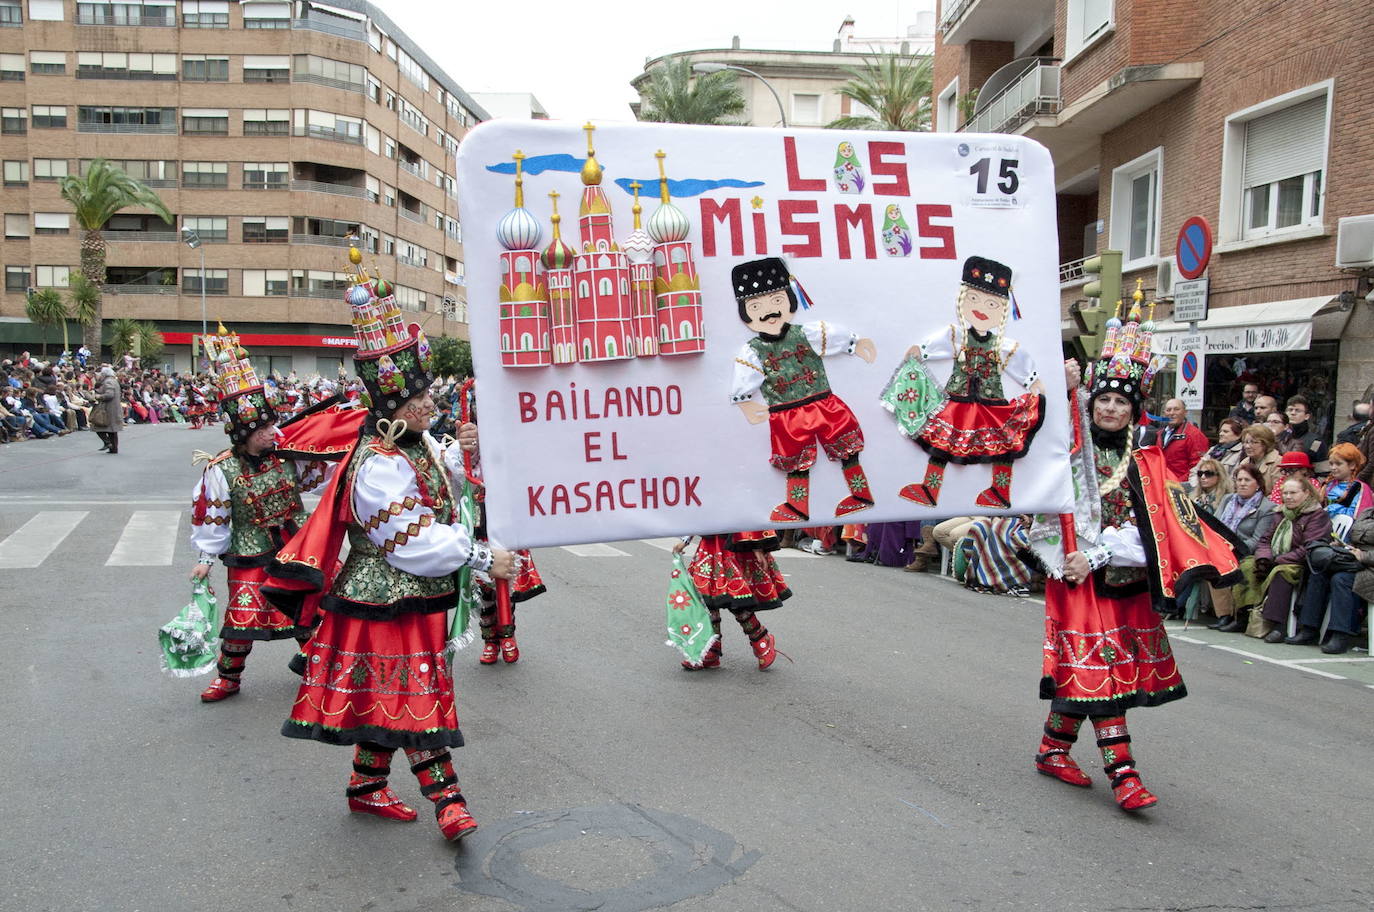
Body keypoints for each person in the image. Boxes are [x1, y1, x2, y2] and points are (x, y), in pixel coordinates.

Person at [265, 249, 512, 842]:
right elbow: (410, 541)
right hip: (386, 598)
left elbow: (448, 481)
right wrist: (480, 556)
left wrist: (468, 449)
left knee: (387, 695)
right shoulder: (378, 464)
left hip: (412, 598)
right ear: (395, 402)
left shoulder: (414, 445)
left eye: (429, 396)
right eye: (422, 397)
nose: (433, 404)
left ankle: (366, 786)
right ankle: (448, 801)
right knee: (413, 694)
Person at [1027, 299, 1239, 814]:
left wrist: (1103, 554)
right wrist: (1065, 386)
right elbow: (1042, 450)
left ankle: (1054, 749)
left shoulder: (1146, 457)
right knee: (1104, 667)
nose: (1111, 409)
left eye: (1123, 402)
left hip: (1122, 573)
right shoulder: (1067, 444)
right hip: (1074, 572)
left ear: (1136, 408)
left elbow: (1163, 523)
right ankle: (1124, 777)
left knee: (1098, 669)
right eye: (1104, 399)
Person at [188, 327, 337, 702]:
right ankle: (228, 678)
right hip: (249, 551)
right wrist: (206, 558)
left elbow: (321, 477)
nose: (272, 433)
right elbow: (215, 517)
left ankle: (315, 664)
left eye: (272, 425)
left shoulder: (288, 455)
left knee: (309, 606)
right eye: (264, 428)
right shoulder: (220, 470)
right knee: (241, 619)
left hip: (294, 544)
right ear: (243, 433)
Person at [887, 255, 1046, 509]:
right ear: (962, 300)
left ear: (1003, 309)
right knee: (940, 443)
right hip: (957, 402)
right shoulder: (956, 335)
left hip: (991, 403)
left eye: (992, 304)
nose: (981, 307)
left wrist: (1033, 382)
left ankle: (1000, 491)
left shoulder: (1004, 345)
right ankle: (930, 488)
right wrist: (921, 350)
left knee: (1004, 445)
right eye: (973, 299)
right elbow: (933, 346)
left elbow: (1021, 367)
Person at [730, 257, 876, 522]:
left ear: (789, 300)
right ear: (746, 312)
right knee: (796, 462)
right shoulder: (752, 350)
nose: (768, 312)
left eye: (777, 301)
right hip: (787, 415)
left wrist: (855, 342)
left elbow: (834, 337)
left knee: (847, 447)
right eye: (756, 306)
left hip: (823, 402)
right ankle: (798, 507)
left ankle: (861, 494)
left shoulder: (806, 333)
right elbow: (744, 380)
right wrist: (745, 402)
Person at [672, 531, 787, 670]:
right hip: (710, 544)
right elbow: (700, 512)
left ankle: (761, 638)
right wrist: (686, 540)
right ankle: (710, 649)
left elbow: (746, 512)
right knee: (705, 599)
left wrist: (757, 546)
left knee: (736, 599)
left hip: (735, 544)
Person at [1250, 477, 1332, 642]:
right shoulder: (1280, 513)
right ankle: (1243, 616)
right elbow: (1265, 540)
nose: (1288, 497)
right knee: (1247, 565)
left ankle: (1278, 626)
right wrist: (1265, 558)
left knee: (1282, 572)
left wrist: (1279, 559)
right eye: (1285, 493)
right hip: (1277, 558)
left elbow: (1310, 547)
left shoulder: (1316, 515)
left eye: (1293, 493)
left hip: (1302, 563)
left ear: (1307, 493)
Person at [1208, 463, 1279, 631]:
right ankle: (1223, 615)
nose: (1242, 483)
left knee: (1227, 564)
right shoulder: (1228, 500)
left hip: (1246, 551)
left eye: (1247, 480)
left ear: (1258, 483)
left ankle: (1236, 615)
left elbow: (1257, 541)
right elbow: (1214, 526)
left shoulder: (1266, 508)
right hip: (1222, 547)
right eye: (1239, 479)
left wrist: (1230, 547)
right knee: (1207, 561)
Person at [1320, 443, 1373, 522]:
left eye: (1338, 464)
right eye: (1331, 464)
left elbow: (1360, 517)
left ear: (1352, 465)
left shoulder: (1360, 488)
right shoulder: (1328, 484)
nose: (1333, 467)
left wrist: (1333, 509)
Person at [1159, 398, 1209, 483]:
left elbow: (1198, 466)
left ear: (1185, 412)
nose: (1172, 413)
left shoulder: (1194, 435)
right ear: (1164, 414)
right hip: (1160, 486)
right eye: (1168, 410)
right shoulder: (1159, 435)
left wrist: (1178, 484)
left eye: (1176, 409)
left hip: (1182, 488)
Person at [1280, 394, 1328, 464]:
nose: (1293, 413)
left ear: (1307, 416)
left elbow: (1321, 469)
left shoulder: (1316, 441)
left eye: (1298, 411)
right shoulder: (1278, 437)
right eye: (1290, 410)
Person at [91, 365, 123, 453]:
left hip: (108, 409)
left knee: (97, 426)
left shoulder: (108, 382)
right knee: (113, 430)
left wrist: (99, 396)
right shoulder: (114, 381)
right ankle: (113, 448)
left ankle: (107, 442)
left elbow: (109, 394)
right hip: (114, 408)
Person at [1240, 424, 1281, 491]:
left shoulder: (1278, 462)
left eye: (1253, 442)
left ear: (1265, 444)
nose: (1247, 446)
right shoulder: (1244, 463)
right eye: (1245, 442)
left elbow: (1277, 492)